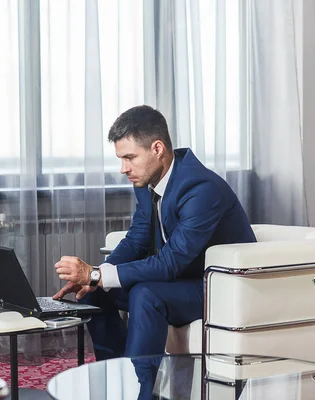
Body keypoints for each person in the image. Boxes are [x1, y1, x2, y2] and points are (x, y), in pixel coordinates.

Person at [52, 105, 256, 398]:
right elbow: (136, 240)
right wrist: (94, 278)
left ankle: (138, 393)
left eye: (129, 158)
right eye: (121, 159)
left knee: (146, 294)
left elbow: (171, 261)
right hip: (182, 282)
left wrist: (96, 273)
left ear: (157, 148)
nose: (123, 168)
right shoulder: (148, 180)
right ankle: (117, 382)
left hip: (219, 287)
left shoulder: (201, 187)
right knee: (98, 292)